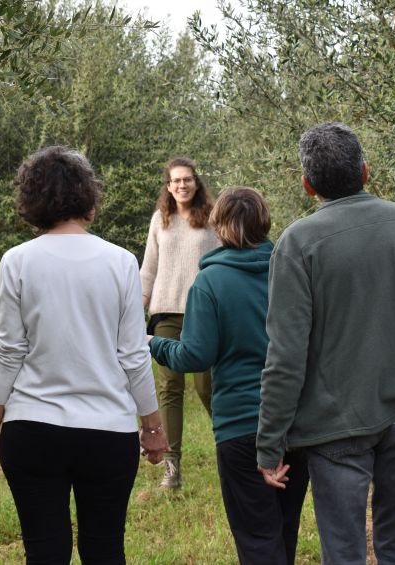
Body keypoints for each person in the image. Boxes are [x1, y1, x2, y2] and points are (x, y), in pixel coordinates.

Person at [255, 122, 395, 565]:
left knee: (344, 552)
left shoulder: (297, 243)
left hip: (334, 423)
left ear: (307, 184)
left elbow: (286, 354)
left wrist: (270, 441)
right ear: (366, 171)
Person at [0, 146, 169, 564]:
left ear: (31, 199)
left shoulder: (16, 261)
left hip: (33, 429)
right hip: (108, 430)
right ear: (88, 197)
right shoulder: (121, 262)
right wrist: (151, 425)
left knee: (44, 551)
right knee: (105, 549)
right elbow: (132, 354)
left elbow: (9, 352)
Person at [149, 187, 309, 564]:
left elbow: (194, 355)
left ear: (219, 227)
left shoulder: (210, 283)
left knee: (256, 536)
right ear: (264, 222)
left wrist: (153, 343)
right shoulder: (291, 270)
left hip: (240, 425)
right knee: (285, 529)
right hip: (296, 421)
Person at [140, 157, 220, 489]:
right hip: (165, 313)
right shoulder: (161, 219)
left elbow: (221, 264)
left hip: (202, 312)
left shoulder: (213, 218)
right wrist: (135, 308)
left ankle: (241, 449)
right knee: (169, 387)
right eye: (176, 181)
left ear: (196, 183)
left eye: (187, 180)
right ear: (168, 186)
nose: (182, 185)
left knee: (208, 387)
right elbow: (149, 268)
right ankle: (172, 468)